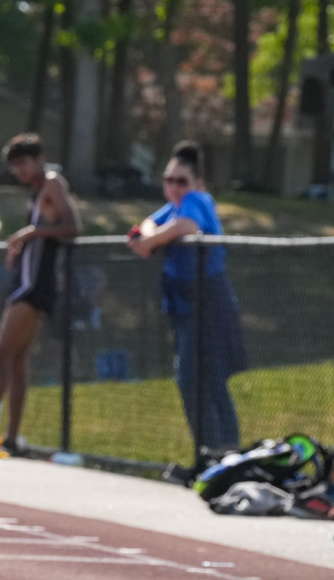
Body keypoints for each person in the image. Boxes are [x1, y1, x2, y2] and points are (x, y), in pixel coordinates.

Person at [128, 140, 246, 455]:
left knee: (197, 379)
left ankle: (218, 453)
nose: (175, 187)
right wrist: (149, 235)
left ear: (197, 183)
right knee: (203, 380)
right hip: (186, 304)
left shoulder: (197, 200)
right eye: (169, 180)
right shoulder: (175, 205)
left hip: (209, 299)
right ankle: (219, 455)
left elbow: (187, 226)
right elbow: (151, 221)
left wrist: (150, 241)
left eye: (181, 181)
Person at [0, 134, 81, 452]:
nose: (19, 171)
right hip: (28, 282)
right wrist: (24, 245)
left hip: (35, 287)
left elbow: (73, 227)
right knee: (17, 361)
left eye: (23, 163)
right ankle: (10, 438)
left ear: (38, 159)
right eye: (14, 166)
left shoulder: (52, 183)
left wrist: (34, 232)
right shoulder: (37, 192)